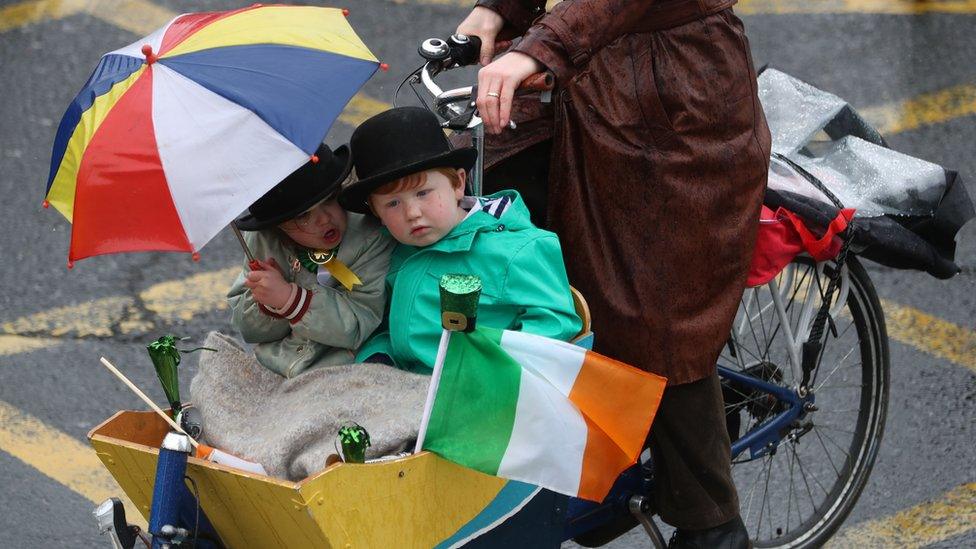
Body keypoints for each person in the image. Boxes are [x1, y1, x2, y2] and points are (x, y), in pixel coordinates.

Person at [456, 1, 771, 547]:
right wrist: (499, 10)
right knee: (456, 206)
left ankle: (714, 524)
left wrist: (539, 46)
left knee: (652, 310)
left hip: (670, 93)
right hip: (580, 70)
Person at [338, 106, 581, 373]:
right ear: (376, 213)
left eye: (423, 193)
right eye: (393, 203)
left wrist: (496, 372)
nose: (412, 213)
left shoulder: (517, 250)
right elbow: (385, 326)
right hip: (404, 386)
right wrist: (379, 357)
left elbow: (557, 324)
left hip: (479, 392)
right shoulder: (395, 250)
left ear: (458, 184)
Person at [228, 143, 394, 378]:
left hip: (345, 366)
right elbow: (249, 330)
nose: (325, 218)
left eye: (330, 199)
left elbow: (362, 318)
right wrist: (268, 301)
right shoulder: (263, 241)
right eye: (304, 216)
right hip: (276, 365)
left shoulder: (367, 238)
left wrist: (291, 300)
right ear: (278, 224)